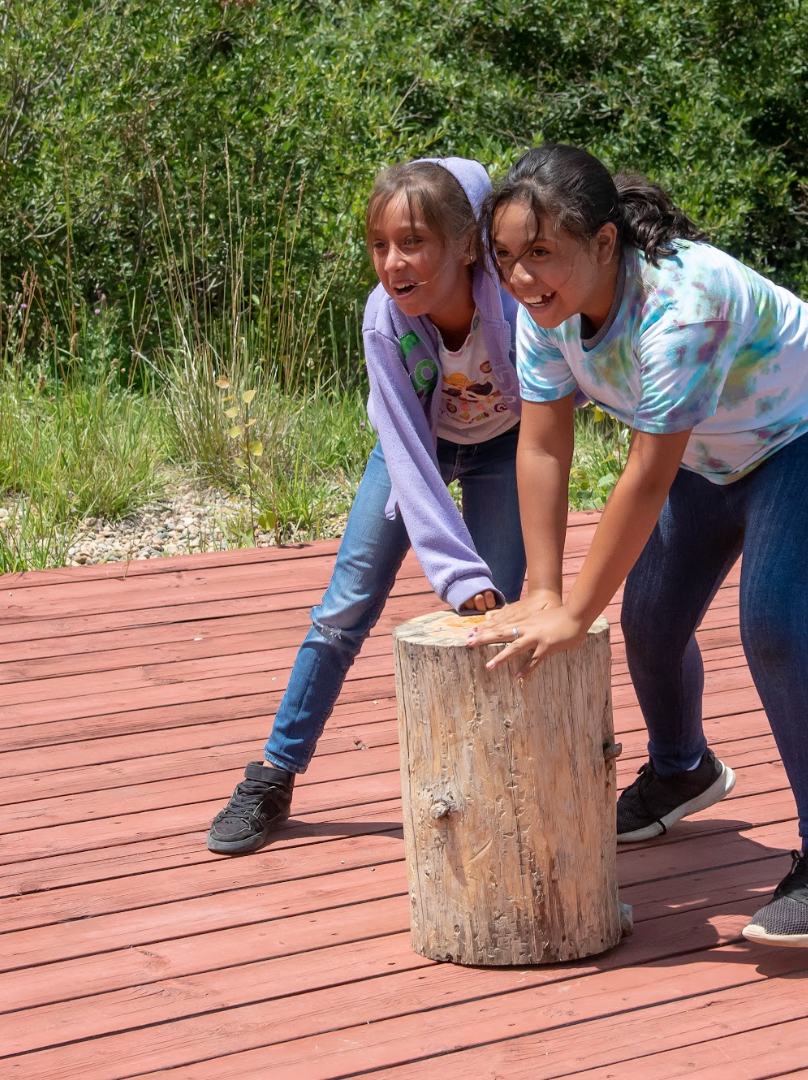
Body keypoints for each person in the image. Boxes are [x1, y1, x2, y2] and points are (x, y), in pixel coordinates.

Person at [469, 144, 808, 947]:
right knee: (650, 621)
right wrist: (547, 593)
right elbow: (545, 447)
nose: (521, 278)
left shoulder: (678, 306)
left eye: (541, 254)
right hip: (711, 447)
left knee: (775, 625)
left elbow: (645, 476)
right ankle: (681, 769)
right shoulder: (543, 314)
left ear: (604, 244)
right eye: (508, 257)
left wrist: (575, 607)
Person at [207, 157, 526, 855]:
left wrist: (483, 586)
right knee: (343, 608)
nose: (393, 262)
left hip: (507, 448)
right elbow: (409, 458)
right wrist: (456, 575)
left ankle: (503, 779)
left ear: (467, 244)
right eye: (380, 245)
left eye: (413, 242)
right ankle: (273, 774)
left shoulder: (511, 302)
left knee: (503, 620)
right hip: (415, 447)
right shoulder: (385, 320)